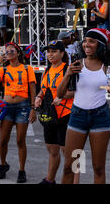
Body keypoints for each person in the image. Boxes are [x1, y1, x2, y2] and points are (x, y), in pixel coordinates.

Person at [57, 28, 110, 184]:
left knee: (98, 168)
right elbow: (60, 94)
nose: (86, 44)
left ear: (101, 45)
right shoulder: (77, 64)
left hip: (100, 118)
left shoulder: (109, 67)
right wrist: (68, 74)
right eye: (85, 41)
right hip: (78, 117)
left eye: (91, 41)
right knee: (70, 166)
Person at [0, 42, 36, 183]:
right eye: (7, 51)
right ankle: (3, 165)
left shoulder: (27, 68)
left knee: (20, 140)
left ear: (18, 53)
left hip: (23, 107)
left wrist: (33, 108)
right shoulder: (3, 69)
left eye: (12, 50)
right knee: (3, 140)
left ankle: (22, 170)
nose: (9, 52)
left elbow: (33, 89)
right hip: (7, 107)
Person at [35, 40, 77, 184]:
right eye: (48, 51)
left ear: (62, 53)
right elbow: (44, 89)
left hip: (66, 114)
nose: (50, 54)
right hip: (50, 116)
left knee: (69, 153)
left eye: (54, 51)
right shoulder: (47, 70)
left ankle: (73, 181)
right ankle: (50, 180)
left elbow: (74, 91)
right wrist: (38, 97)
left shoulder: (68, 69)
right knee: (52, 150)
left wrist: (60, 96)